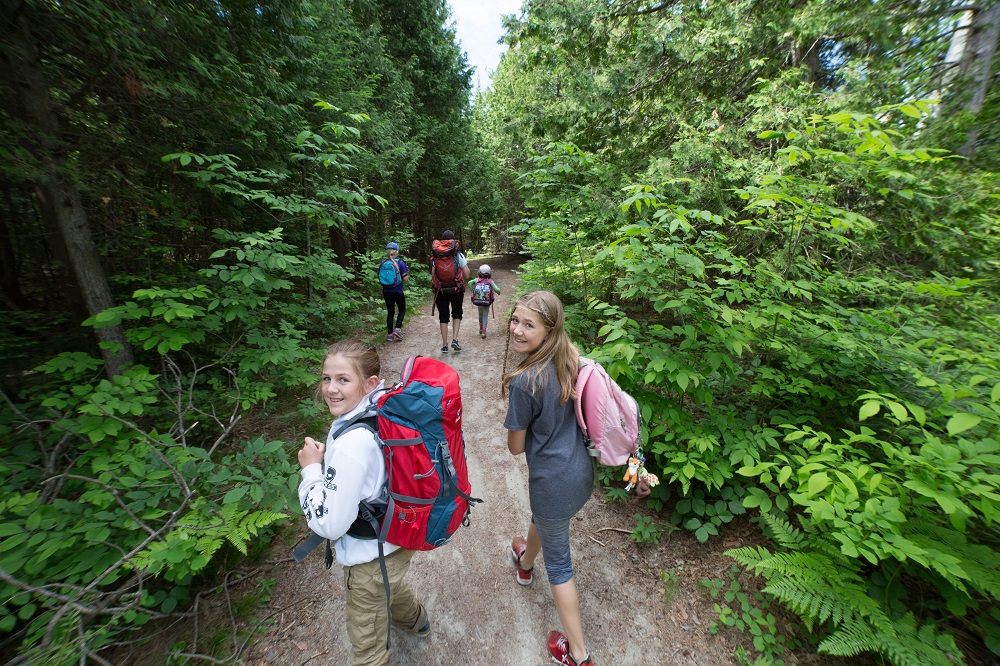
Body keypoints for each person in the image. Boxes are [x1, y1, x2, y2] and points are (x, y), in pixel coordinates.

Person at [297, 340, 429, 665]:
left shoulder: (351, 444)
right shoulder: (381, 406)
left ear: (369, 383)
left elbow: (330, 524)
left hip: (369, 558)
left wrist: (312, 470)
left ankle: (410, 624)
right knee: (391, 583)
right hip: (398, 534)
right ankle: (416, 621)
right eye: (327, 378)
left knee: (368, 645)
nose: (331, 388)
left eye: (343, 379)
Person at [501, 291, 595, 666]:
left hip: (553, 484)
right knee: (545, 521)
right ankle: (525, 564)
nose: (518, 330)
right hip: (582, 476)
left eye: (529, 325)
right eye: (515, 320)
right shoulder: (573, 360)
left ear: (549, 329)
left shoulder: (526, 381)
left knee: (560, 566)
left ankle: (579, 654)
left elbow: (515, 447)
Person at [430, 230, 470, 353]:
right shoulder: (458, 254)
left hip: (441, 290)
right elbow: (467, 274)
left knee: (443, 316)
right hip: (456, 289)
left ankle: (444, 344)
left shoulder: (435, 255)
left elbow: (433, 275)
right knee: (457, 314)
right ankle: (455, 339)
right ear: (453, 241)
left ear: (442, 240)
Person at [380, 242, 409, 343]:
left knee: (390, 313)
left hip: (386, 291)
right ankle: (397, 329)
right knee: (402, 310)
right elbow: (405, 279)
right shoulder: (400, 263)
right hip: (398, 291)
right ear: (396, 251)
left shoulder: (382, 263)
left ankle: (389, 335)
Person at [468, 264, 501, 339]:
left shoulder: (477, 280)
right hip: (487, 301)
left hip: (478, 300)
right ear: (489, 273)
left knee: (480, 314)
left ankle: (480, 328)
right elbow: (497, 290)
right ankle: (484, 331)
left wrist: (473, 292)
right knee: (485, 315)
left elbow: (469, 283)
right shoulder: (490, 281)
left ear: (479, 272)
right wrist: (499, 292)